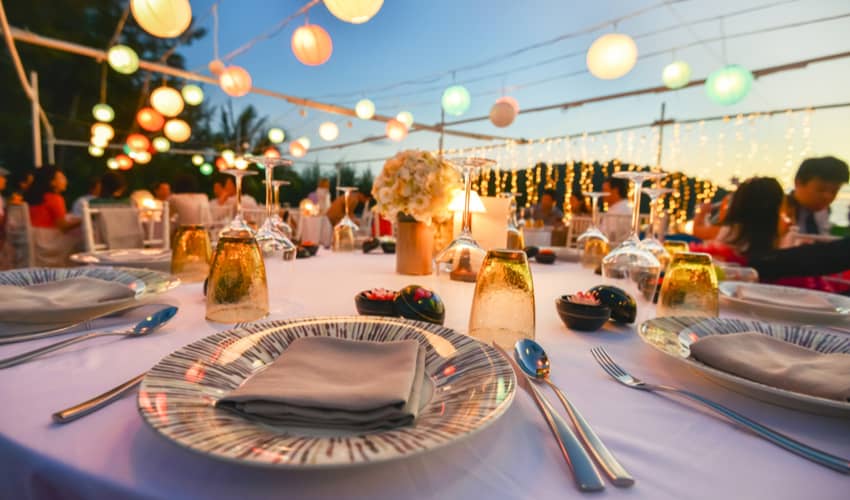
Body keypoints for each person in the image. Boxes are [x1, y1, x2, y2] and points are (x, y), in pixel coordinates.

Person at [693, 177, 850, 291]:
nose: (789, 220)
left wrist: (702, 213)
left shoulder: (725, 234)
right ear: (774, 214)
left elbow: (698, 230)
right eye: (785, 212)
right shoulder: (793, 274)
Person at [25, 165, 81, 266]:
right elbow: (63, 227)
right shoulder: (55, 198)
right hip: (48, 242)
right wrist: (83, 220)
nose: (66, 181)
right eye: (62, 178)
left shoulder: (30, 198)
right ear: (52, 182)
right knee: (82, 242)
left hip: (32, 240)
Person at [787, 156, 849, 235]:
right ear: (798, 182)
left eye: (834, 191)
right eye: (821, 189)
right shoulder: (778, 211)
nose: (828, 196)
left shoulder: (825, 211)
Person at [601, 176, 631, 242]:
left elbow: (611, 235)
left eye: (605, 190)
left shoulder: (621, 209)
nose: (602, 194)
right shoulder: (617, 207)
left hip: (615, 248)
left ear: (615, 190)